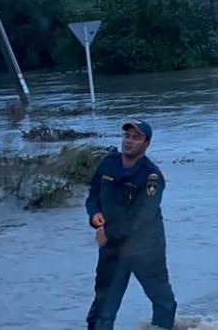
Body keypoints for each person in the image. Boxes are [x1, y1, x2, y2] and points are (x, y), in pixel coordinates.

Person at [85, 119, 177, 330]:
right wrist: (94, 214)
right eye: (127, 136)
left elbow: (141, 218)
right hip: (113, 250)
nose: (129, 141)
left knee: (163, 302)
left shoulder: (151, 177)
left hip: (145, 249)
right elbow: (93, 195)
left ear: (146, 144)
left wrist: (108, 233)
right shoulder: (108, 164)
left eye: (136, 138)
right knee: (102, 308)